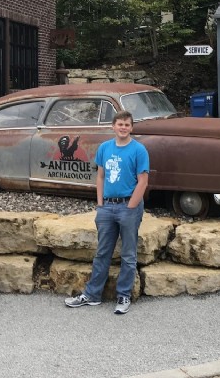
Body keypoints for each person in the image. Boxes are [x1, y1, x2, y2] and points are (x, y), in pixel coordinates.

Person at [64, 111, 149, 315]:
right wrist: (100, 203)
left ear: (131, 127)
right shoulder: (105, 148)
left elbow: (143, 181)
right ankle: (92, 295)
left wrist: (131, 207)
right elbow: (100, 177)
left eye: (127, 125)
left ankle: (123, 295)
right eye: (120, 124)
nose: (123, 128)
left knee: (128, 254)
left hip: (128, 206)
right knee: (102, 252)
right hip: (106, 208)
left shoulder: (139, 150)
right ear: (113, 126)